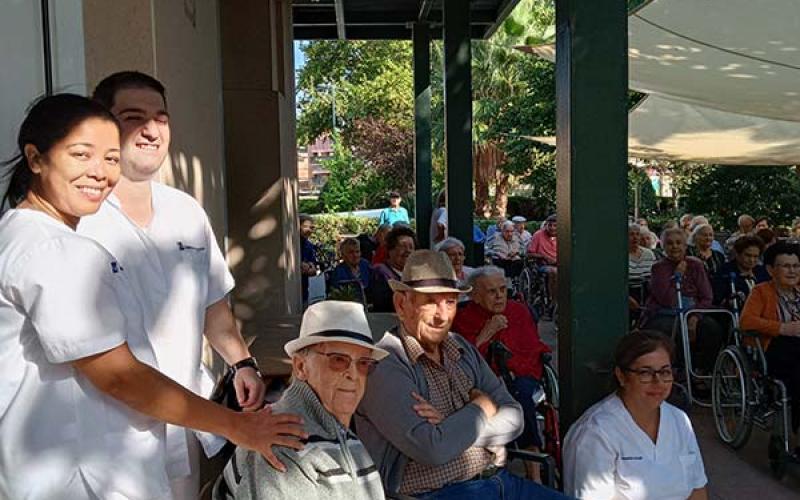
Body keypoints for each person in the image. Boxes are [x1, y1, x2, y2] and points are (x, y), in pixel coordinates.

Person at [0, 94, 303, 500]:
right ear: (36, 159)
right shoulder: (54, 250)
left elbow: (212, 307)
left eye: (110, 159)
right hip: (84, 477)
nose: (99, 172)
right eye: (80, 154)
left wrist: (240, 365)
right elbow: (121, 376)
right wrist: (239, 427)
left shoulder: (23, 235)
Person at [78, 71, 268, 498]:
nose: (151, 130)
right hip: (105, 436)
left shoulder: (186, 212)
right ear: (102, 126)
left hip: (183, 424)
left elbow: (213, 307)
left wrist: (243, 363)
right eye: (133, 116)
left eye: (161, 118)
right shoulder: (80, 219)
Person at [355, 250, 568, 499]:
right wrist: (481, 406)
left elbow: (515, 416)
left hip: (499, 481)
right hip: (439, 493)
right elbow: (432, 448)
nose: (442, 315)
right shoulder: (385, 363)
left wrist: (449, 426)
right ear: (402, 304)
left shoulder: (460, 347)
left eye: (450, 302)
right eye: (430, 302)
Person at [216, 301, 388, 499]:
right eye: (339, 360)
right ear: (300, 367)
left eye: (364, 364)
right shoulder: (281, 438)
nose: (353, 375)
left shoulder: (343, 435)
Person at [563, 330, 708, 500]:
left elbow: (697, 490)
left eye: (665, 372)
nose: (658, 382)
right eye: (645, 373)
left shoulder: (679, 421)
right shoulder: (595, 432)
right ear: (622, 376)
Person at [452, 266, 551, 476]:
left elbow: (532, 350)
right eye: (491, 292)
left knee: (520, 396)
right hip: (478, 380)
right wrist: (487, 333)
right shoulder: (462, 317)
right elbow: (462, 359)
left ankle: (533, 471)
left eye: (502, 290)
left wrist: (513, 369)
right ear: (475, 296)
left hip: (520, 375)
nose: (499, 296)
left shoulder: (518, 311)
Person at [740, 241, 800, 440]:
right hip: (772, 348)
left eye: (796, 266)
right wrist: (782, 328)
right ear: (770, 270)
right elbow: (746, 321)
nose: (792, 271)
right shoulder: (761, 291)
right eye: (785, 266)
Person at [643, 227, 724, 375]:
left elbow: (707, 296)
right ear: (663, 246)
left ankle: (702, 372)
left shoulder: (696, 265)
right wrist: (677, 277)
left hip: (693, 310)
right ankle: (678, 371)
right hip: (666, 312)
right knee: (672, 331)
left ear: (685, 245)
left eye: (679, 243)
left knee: (712, 329)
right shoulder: (658, 268)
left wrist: (694, 317)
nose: (674, 247)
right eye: (670, 243)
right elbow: (668, 300)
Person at [711, 235, 769, 307]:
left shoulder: (762, 272)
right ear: (737, 254)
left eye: (755, 256)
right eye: (748, 255)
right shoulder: (724, 272)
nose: (752, 260)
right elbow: (718, 300)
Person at [371, 225, 417, 312]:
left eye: (411, 247)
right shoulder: (380, 272)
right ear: (390, 250)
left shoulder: (415, 273)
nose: (408, 251)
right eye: (403, 246)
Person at [528, 214, 558, 306]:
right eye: (550, 225)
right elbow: (529, 254)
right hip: (542, 265)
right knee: (553, 271)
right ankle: (553, 300)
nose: (552, 228)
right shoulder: (538, 235)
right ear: (546, 225)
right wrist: (544, 257)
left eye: (555, 225)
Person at [330, 237, 372, 302]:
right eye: (351, 252)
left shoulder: (365, 265)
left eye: (357, 251)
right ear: (343, 255)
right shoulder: (338, 272)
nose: (355, 255)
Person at [299, 213, 319, 304]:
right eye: (305, 227)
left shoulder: (309, 246)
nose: (309, 230)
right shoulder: (293, 244)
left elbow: (314, 270)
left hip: (304, 292)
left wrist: (310, 268)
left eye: (312, 228)